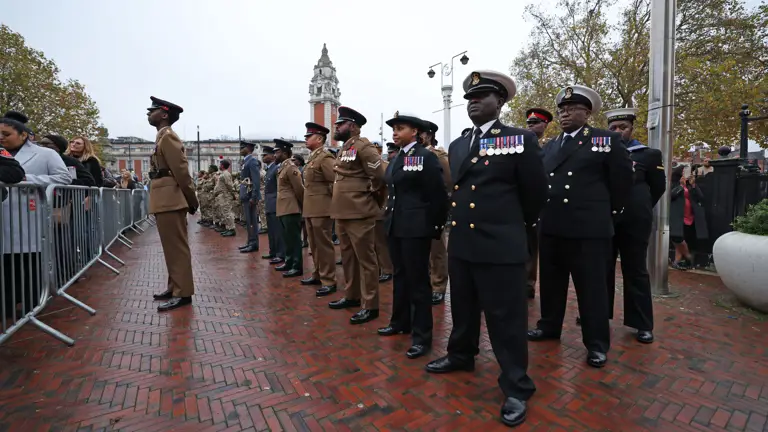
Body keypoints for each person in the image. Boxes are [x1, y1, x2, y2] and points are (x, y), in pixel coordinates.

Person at [424, 70, 548, 428]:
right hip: (462, 242)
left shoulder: (519, 138)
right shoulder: (460, 144)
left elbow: (535, 194)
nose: (473, 102)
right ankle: (461, 355)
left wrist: (510, 226)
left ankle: (516, 385)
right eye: (470, 97)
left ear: (501, 102)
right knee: (463, 308)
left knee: (505, 319)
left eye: (482, 96)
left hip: (500, 243)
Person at [528, 85, 633, 368]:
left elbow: (622, 183)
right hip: (552, 226)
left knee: (591, 290)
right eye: (562, 109)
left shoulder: (606, 140)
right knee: (551, 285)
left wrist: (606, 213)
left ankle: (596, 343)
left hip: (588, 229)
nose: (565, 114)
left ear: (587, 113)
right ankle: (549, 326)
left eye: (572, 109)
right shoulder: (550, 146)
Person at [378, 111, 448, 360]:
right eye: (394, 129)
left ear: (415, 132)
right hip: (396, 226)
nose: (395, 133)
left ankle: (422, 336)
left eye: (401, 128)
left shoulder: (425, 157)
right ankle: (400, 322)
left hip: (416, 228)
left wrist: (435, 227)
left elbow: (438, 194)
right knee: (401, 276)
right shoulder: (398, 158)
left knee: (419, 283)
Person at [597, 107, 666, 343]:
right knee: (602, 268)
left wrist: (640, 205)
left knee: (635, 270)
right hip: (605, 219)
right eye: (613, 128)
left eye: (622, 127)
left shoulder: (648, 155)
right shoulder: (599, 153)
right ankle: (598, 314)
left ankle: (641, 323)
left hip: (635, 222)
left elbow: (658, 187)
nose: (618, 132)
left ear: (632, 129)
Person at [328, 106, 386, 325]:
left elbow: (379, 176)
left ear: (352, 126)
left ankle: (370, 305)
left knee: (366, 260)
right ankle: (352, 296)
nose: (336, 126)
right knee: (348, 258)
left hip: (359, 211)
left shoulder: (364, 146)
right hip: (342, 211)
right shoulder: (345, 149)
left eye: (340, 124)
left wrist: (370, 200)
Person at [145, 97, 198, 312]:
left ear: (164, 114)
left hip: (171, 199)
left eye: (153, 110)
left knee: (177, 249)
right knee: (171, 249)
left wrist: (192, 200)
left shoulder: (168, 137)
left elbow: (182, 172)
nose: (148, 113)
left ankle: (183, 293)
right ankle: (174, 286)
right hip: (165, 198)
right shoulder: (162, 137)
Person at [299, 123, 339, 295]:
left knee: (324, 246)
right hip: (310, 208)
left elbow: (334, 182)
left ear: (320, 139)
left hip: (322, 208)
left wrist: (329, 204)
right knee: (314, 246)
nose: (306, 139)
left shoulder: (325, 157)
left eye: (309, 136)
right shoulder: (312, 158)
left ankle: (329, 280)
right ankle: (317, 274)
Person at [523, 108, 553, 299]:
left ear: (546, 125)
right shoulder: (519, 144)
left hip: (546, 204)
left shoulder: (550, 146)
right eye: (529, 123)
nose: (532, 126)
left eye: (536, 123)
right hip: (524, 202)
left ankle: (529, 283)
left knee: (536, 246)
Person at [420, 120, 451, 305]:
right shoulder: (414, 154)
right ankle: (428, 281)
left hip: (433, 208)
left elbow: (448, 182)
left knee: (437, 249)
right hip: (416, 209)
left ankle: (439, 286)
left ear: (429, 135)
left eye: (422, 133)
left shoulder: (437, 155)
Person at [273, 139, 305, 277]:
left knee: (294, 239)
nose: (275, 155)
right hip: (284, 208)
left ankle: (297, 266)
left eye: (277, 152)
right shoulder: (283, 167)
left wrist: (302, 206)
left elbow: (299, 189)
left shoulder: (291, 168)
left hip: (291, 208)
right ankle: (289, 261)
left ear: (285, 153)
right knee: (287, 238)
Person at [371, 141, 393, 283]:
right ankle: (378, 268)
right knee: (372, 242)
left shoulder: (384, 166)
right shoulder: (367, 166)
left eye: (376, 150)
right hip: (368, 208)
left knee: (381, 242)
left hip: (380, 206)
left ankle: (386, 269)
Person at [261, 146, 285, 264]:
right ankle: (273, 251)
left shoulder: (276, 168)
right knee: (271, 230)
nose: (263, 157)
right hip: (269, 203)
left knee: (277, 230)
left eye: (265, 155)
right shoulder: (269, 169)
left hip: (275, 202)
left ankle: (280, 254)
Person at [238, 141, 262, 253]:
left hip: (250, 195)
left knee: (252, 220)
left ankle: (253, 243)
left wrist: (254, 196)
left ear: (248, 148)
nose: (240, 149)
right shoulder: (245, 161)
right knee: (248, 221)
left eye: (242, 147)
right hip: (246, 195)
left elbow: (256, 181)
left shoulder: (252, 161)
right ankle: (250, 241)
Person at [214, 159, 236, 237]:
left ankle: (232, 229)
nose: (219, 166)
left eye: (220, 164)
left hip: (225, 195)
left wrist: (233, 194)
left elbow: (229, 185)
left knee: (227, 212)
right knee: (224, 212)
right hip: (222, 196)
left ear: (222, 166)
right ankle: (228, 228)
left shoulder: (226, 174)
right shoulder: (223, 174)